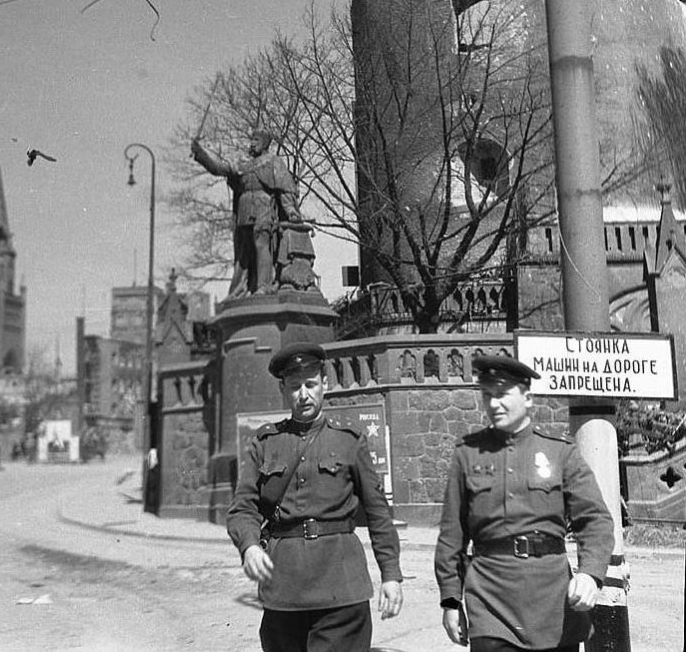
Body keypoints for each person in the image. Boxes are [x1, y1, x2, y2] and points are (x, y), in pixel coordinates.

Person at [227, 342, 403, 651]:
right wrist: (250, 547)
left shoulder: (349, 440)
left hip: (341, 586)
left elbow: (378, 514)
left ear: (325, 384)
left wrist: (391, 575)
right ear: (283, 389)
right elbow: (243, 508)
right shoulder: (266, 442)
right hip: (284, 587)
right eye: (294, 387)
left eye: (310, 384)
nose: (303, 394)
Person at [434, 355, 614, 652]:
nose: (493, 404)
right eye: (487, 396)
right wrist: (451, 600)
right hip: (490, 599)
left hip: (551, 600)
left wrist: (590, 574)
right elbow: (451, 535)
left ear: (527, 397)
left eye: (502, 394)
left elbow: (595, 520)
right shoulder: (468, 454)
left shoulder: (560, 453)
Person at [190, 129, 301, 297]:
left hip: (263, 207)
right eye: (252, 140)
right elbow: (219, 168)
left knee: (261, 245)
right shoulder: (243, 163)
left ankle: (263, 286)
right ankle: (240, 289)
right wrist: (201, 153)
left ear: (265, 143)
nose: (252, 143)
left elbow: (285, 189)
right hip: (244, 209)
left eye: (256, 140)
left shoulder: (273, 162)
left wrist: (290, 210)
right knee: (243, 252)